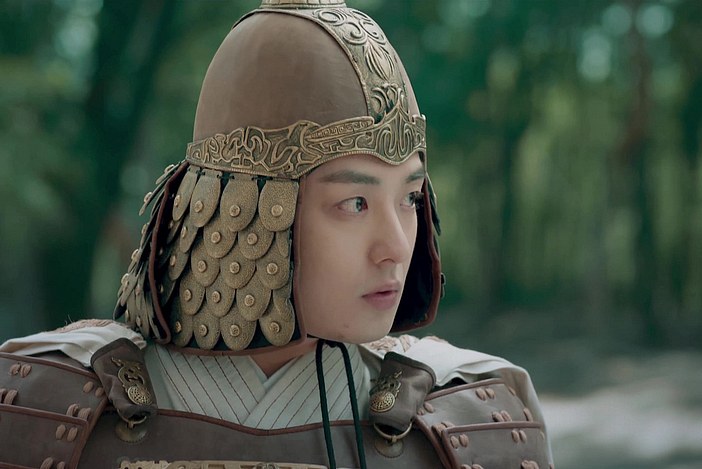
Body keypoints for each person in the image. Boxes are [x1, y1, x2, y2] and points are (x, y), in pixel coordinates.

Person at [0, 1, 554, 467]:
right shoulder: (44, 408)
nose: (396, 247)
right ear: (246, 210)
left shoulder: (474, 419)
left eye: (409, 198)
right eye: (355, 203)